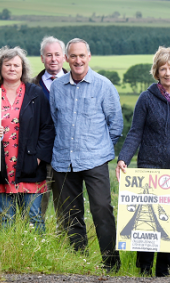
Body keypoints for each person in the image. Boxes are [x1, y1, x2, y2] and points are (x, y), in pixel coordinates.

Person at [116, 46, 170, 277]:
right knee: (147, 224)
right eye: (162, 69)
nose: (167, 73)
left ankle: (163, 271)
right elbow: (135, 132)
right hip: (150, 171)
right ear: (156, 72)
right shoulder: (146, 98)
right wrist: (123, 159)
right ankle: (144, 269)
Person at [49, 38, 122, 272]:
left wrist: (99, 149)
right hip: (63, 161)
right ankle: (79, 264)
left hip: (95, 160)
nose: (78, 60)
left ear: (88, 57)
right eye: (73, 56)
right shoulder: (57, 87)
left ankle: (111, 264)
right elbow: (53, 121)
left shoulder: (104, 85)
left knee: (102, 210)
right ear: (66, 59)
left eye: (82, 56)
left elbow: (116, 125)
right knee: (71, 213)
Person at [0, 46, 55, 232]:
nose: (11, 68)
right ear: (0, 68)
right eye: (7, 64)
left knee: (34, 218)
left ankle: (38, 258)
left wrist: (38, 158)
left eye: (16, 65)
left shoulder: (35, 94)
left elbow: (48, 128)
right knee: (4, 219)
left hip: (30, 166)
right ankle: (6, 258)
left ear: (23, 68)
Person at [30, 36, 67, 218]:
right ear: (42, 58)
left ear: (64, 57)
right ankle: (33, 244)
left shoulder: (75, 83)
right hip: (38, 159)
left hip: (66, 159)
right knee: (35, 211)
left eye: (57, 54)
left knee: (66, 211)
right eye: (49, 55)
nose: (53, 59)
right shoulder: (30, 86)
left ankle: (66, 246)